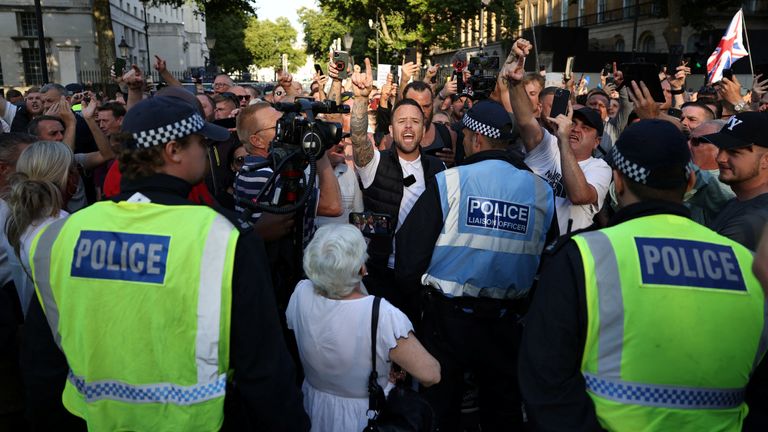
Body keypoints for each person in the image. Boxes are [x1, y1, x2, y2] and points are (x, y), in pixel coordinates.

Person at [22, 96, 310, 431]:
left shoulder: (65, 234)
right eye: (201, 143)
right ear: (173, 150)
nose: (206, 151)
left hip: (91, 420)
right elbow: (263, 367)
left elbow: (42, 359)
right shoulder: (222, 236)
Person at [519, 119, 768, 431]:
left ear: (617, 182)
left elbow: (546, 379)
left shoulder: (584, 256)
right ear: (690, 182)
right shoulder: (750, 265)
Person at [395, 100, 556, 431]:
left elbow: (410, 257)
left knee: (439, 410)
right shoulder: (541, 191)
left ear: (475, 140)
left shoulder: (451, 181)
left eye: (464, 138)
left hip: (447, 321)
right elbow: (546, 258)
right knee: (503, 412)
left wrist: (412, 316)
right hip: (507, 323)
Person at [286, 224, 440, 432]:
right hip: (366, 415)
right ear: (362, 269)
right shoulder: (381, 314)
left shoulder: (300, 294)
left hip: (315, 407)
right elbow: (430, 374)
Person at [348, 58, 445, 312]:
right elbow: (358, 139)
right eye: (401, 121)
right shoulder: (375, 164)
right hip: (380, 275)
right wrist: (360, 99)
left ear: (424, 129)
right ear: (391, 129)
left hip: (421, 277)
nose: (409, 126)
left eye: (415, 121)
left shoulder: (439, 170)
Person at [508, 39, 612, 234]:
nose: (575, 129)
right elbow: (524, 120)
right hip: (527, 248)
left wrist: (563, 140)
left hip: (563, 254)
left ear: (597, 142)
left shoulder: (600, 168)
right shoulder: (548, 145)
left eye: (586, 127)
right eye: (574, 123)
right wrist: (515, 82)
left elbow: (579, 195)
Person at [703, 112, 768, 250]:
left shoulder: (752, 220)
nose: (720, 158)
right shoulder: (740, 201)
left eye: (734, 152)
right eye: (721, 148)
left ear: (766, 160)